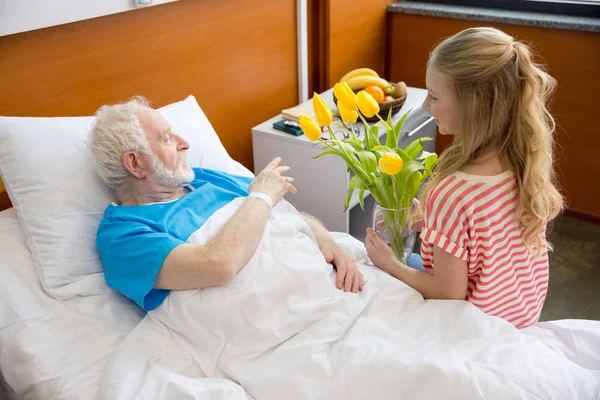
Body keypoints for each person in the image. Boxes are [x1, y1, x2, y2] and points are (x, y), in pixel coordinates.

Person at [365, 27, 563, 328]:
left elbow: (448, 295)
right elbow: (490, 236)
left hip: (475, 329)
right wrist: (432, 220)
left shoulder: (452, 192)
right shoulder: (524, 158)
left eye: (433, 96)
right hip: (518, 317)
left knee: (375, 273)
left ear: (474, 104)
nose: (424, 107)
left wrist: (389, 265)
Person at [88, 97, 364, 311]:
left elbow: (282, 213)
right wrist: (261, 196)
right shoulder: (123, 235)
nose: (184, 144)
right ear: (135, 164)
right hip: (274, 312)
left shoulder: (205, 178)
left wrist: (327, 242)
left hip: (325, 279)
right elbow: (217, 265)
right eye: (166, 138)